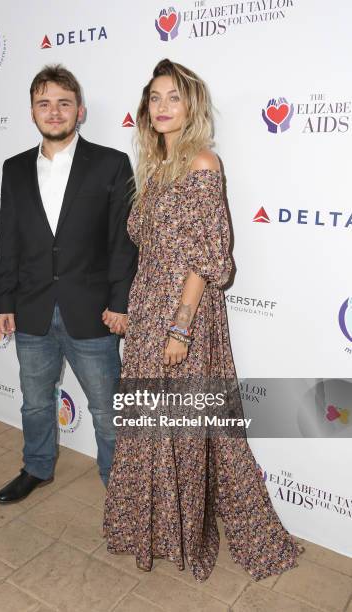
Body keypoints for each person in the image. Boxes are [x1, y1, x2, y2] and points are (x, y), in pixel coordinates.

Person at [103, 58, 304, 581]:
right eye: (155, 98)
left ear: (191, 106)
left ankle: (186, 531)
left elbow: (207, 256)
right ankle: (150, 530)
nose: (163, 106)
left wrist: (181, 326)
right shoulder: (152, 171)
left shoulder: (202, 164)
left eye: (174, 97)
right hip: (148, 307)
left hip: (182, 312)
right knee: (150, 424)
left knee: (187, 428)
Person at [0, 64, 137, 504]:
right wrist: (4, 300)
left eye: (63, 103)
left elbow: (123, 242)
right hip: (32, 306)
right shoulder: (14, 168)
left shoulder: (112, 163)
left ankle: (121, 489)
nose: (54, 112)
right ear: (32, 112)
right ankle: (36, 467)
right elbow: (9, 237)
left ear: (81, 111)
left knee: (107, 411)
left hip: (93, 310)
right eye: (44, 104)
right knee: (35, 403)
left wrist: (121, 301)